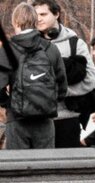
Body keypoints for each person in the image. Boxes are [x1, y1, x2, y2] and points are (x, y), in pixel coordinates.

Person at [0, 3, 67, 149]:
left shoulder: (7, 50)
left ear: (15, 22)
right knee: (45, 166)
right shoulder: (50, 49)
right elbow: (62, 87)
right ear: (35, 22)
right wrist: (46, 101)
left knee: (18, 167)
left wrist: (9, 104)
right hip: (45, 121)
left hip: (16, 121)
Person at [31, 0, 95, 148]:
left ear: (56, 14)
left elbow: (90, 79)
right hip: (38, 120)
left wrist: (61, 91)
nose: (39, 19)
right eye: (35, 15)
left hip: (69, 119)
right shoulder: (29, 44)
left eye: (43, 14)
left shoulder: (75, 44)